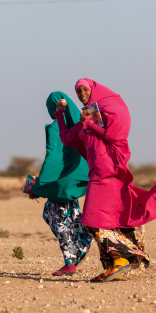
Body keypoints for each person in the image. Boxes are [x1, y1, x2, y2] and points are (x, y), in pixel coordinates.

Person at [54, 78, 156, 282]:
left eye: (84, 89)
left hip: (110, 172)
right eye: (78, 91)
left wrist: (91, 125)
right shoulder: (87, 117)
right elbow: (67, 139)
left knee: (91, 220)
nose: (81, 94)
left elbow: (116, 137)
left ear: (93, 89)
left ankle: (125, 258)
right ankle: (114, 264)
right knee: (103, 220)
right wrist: (60, 115)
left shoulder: (109, 108)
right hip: (97, 173)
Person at [29, 92, 92, 276]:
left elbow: (53, 157)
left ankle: (70, 260)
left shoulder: (54, 128)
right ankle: (80, 247)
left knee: (55, 217)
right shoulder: (79, 124)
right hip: (74, 179)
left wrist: (41, 185)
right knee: (72, 215)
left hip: (59, 182)